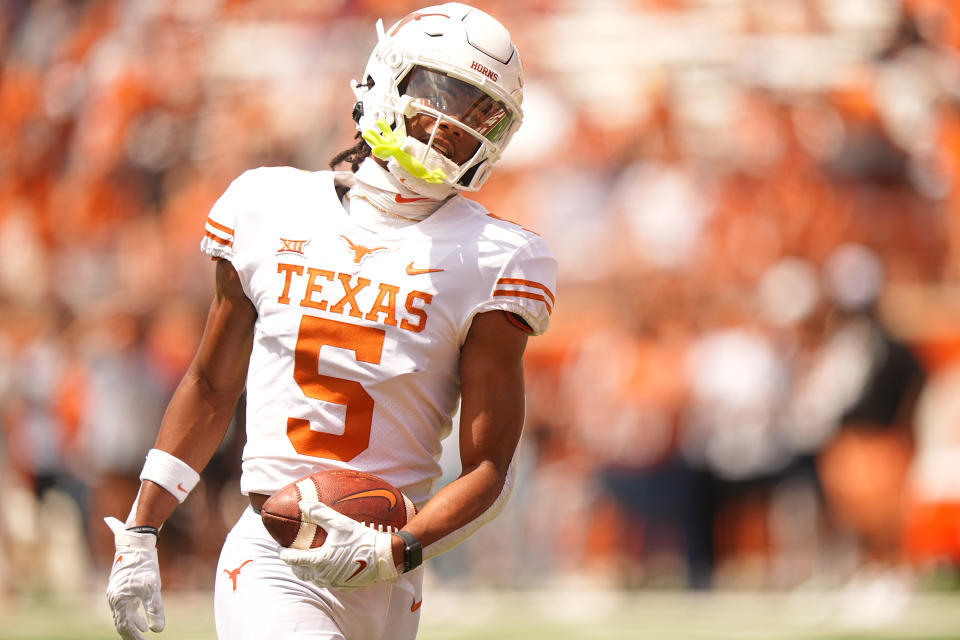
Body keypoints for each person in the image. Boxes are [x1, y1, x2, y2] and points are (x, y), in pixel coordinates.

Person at [104, 4, 557, 639]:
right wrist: (142, 527)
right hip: (272, 553)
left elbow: (489, 467)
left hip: (390, 566)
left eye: (477, 113)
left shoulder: (495, 259)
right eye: (443, 96)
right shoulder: (269, 206)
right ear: (386, 80)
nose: (453, 126)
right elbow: (210, 385)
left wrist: (399, 550)